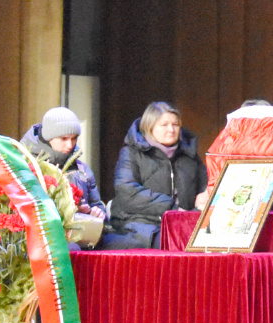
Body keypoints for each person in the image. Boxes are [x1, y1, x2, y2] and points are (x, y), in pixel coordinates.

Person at [105, 101, 208, 250]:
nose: (171, 130)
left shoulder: (189, 154)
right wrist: (171, 208)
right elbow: (127, 191)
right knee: (169, 245)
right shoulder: (132, 152)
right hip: (139, 222)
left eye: (175, 125)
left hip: (182, 223)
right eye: (164, 125)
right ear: (150, 126)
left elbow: (206, 184)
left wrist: (203, 198)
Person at [22, 107, 105, 249]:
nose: (70, 145)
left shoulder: (82, 170)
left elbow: (97, 204)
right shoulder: (27, 165)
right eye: (64, 139)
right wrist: (69, 212)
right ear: (48, 138)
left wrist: (96, 212)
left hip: (83, 235)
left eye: (74, 138)